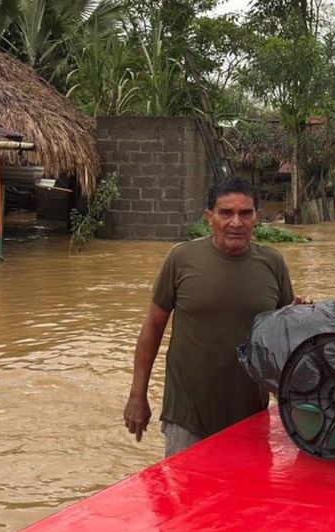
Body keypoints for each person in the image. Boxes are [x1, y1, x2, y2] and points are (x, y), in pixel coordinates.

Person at [123, 176, 309, 457]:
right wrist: (138, 396)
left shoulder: (273, 263)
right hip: (187, 415)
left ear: (256, 217)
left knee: (245, 496)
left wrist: (302, 315)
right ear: (209, 217)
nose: (236, 222)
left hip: (250, 413)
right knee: (187, 496)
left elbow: (280, 334)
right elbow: (152, 327)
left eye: (245, 213)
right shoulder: (181, 259)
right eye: (226, 213)